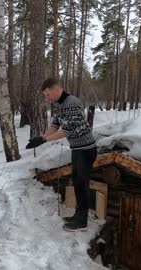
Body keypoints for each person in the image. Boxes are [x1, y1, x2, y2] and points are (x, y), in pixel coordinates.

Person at [26, 78, 97, 232]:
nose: (47, 98)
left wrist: (44, 140)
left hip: (86, 149)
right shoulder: (60, 105)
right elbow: (55, 126)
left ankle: (82, 221)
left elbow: (67, 130)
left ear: (57, 89)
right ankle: (79, 216)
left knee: (82, 184)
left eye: (48, 94)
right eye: (45, 95)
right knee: (77, 183)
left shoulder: (72, 102)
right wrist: (40, 138)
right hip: (78, 149)